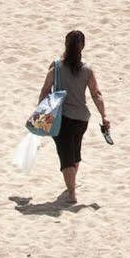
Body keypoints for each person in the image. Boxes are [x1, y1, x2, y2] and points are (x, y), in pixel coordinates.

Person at [35, 30, 110, 202]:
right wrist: (104, 115)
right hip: (81, 119)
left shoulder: (56, 66)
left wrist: (41, 113)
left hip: (61, 118)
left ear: (65, 44)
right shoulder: (88, 69)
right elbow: (96, 94)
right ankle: (72, 185)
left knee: (66, 156)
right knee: (74, 153)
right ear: (83, 46)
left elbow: (45, 90)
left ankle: (71, 193)